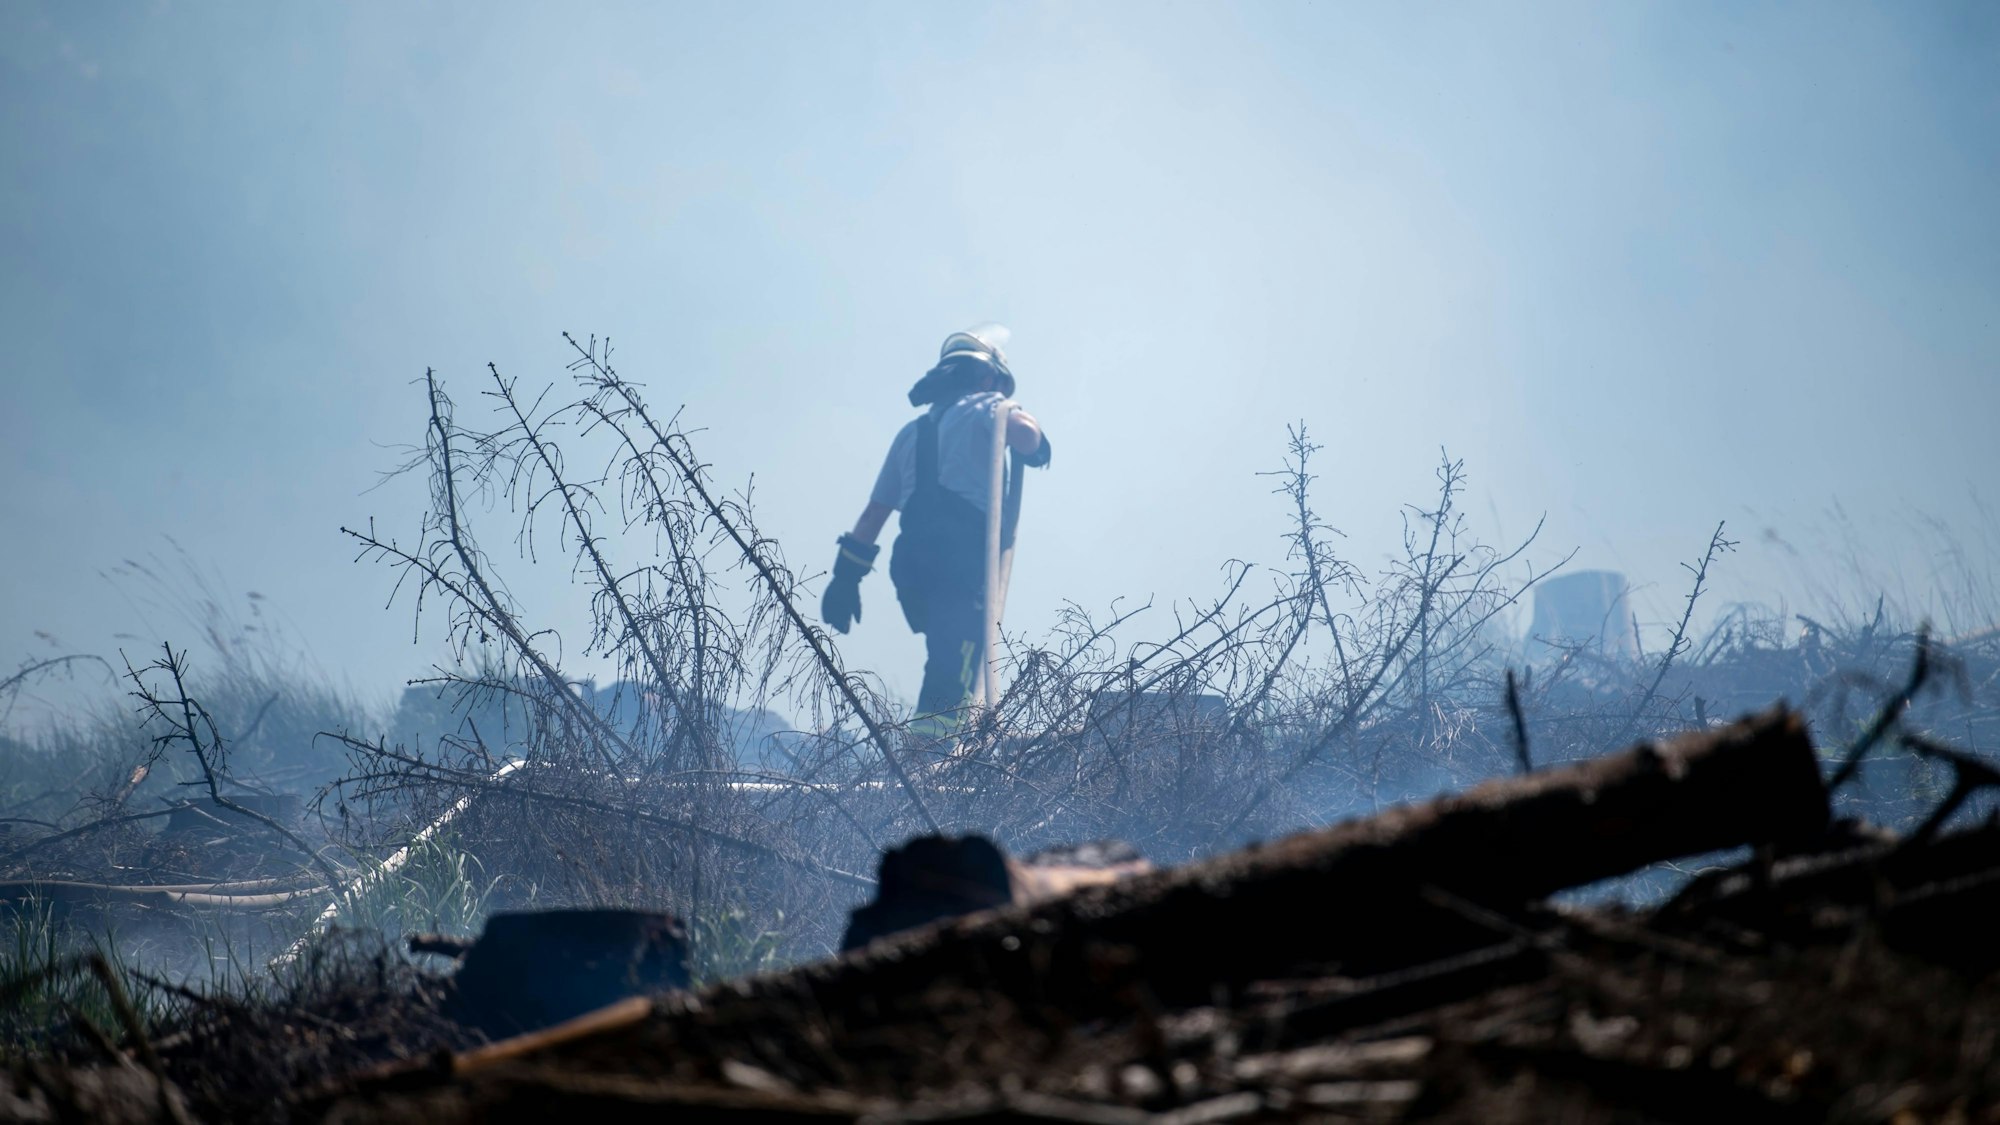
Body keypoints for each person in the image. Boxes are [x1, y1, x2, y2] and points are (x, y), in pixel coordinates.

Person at [821, 326, 1052, 736]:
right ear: (987, 378)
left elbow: (874, 515)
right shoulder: (989, 407)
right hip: (960, 559)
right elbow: (1027, 436)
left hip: (912, 564)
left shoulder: (911, 433)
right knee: (955, 667)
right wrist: (1034, 441)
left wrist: (845, 579)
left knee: (947, 656)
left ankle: (938, 742)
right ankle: (931, 757)